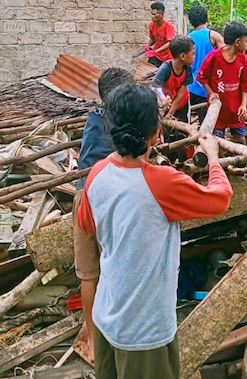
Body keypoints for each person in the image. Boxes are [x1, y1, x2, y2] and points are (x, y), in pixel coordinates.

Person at [77, 83, 233, 379]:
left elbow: (88, 225)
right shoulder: (163, 183)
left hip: (107, 317)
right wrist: (212, 156)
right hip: (144, 332)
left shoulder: (96, 174)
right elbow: (220, 198)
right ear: (155, 133)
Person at [73, 67, 134, 361]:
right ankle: (117, 333)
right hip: (105, 197)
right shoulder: (120, 122)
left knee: (89, 274)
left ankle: (95, 341)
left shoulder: (94, 116)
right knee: (113, 267)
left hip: (82, 194)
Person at [197, 21, 247, 144]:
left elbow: (246, 83)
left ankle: (240, 163)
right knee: (218, 143)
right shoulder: (214, 57)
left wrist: (243, 105)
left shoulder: (242, 59)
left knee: (240, 140)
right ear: (238, 42)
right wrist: (211, 93)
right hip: (218, 112)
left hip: (236, 111)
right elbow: (202, 76)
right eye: (246, 42)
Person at [187, 5, 224, 120]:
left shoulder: (187, 38)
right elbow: (225, 57)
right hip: (208, 87)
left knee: (189, 117)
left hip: (191, 87)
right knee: (208, 121)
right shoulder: (213, 36)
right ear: (206, 18)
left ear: (191, 22)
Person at [152, 36, 195, 123]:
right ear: (183, 56)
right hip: (166, 104)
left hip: (182, 103)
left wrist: (171, 113)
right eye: (193, 53)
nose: (194, 57)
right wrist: (164, 101)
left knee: (182, 130)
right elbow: (155, 87)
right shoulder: (165, 69)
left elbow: (181, 93)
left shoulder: (187, 68)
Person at [144, 2, 175, 67]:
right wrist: (148, 45)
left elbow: (170, 43)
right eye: (151, 14)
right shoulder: (152, 25)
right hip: (156, 57)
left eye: (154, 14)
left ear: (161, 14)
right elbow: (153, 38)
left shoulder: (168, 26)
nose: (152, 17)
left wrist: (156, 51)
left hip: (167, 58)